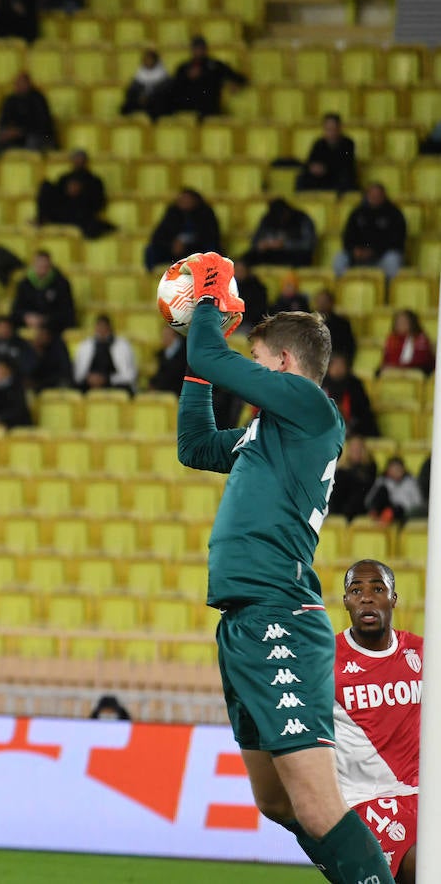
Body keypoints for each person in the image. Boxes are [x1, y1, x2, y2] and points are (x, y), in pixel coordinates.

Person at [176, 255, 396, 884]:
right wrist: (198, 361)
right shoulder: (264, 431)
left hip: (278, 612)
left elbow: (219, 361)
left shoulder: (309, 407)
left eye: (259, 360)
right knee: (276, 802)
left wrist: (208, 311)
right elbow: (194, 447)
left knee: (317, 802)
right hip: (247, 620)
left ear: (285, 366)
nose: (250, 373)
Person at [333, 559, 420, 884]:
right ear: (346, 601)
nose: (366, 597)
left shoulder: (422, 654)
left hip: (421, 796)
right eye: (356, 590)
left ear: (393, 598)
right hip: (363, 802)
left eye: (378, 589)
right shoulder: (326, 660)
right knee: (421, 867)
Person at [334, 183, 407, 281]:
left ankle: (388, 292)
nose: (375, 198)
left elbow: (397, 241)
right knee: (339, 259)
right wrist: (354, 250)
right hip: (358, 257)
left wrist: (373, 251)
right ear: (367, 195)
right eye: (372, 195)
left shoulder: (394, 214)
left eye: (378, 195)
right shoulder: (357, 213)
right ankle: (344, 290)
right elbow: (348, 237)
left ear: (384, 196)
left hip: (382, 256)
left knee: (392, 260)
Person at [35, 149, 112, 239]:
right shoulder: (64, 178)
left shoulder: (95, 180)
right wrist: (68, 192)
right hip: (63, 212)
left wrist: (81, 193)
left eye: (81, 159)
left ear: (86, 161)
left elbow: (99, 202)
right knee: (46, 185)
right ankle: (41, 219)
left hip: (82, 214)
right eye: (76, 159)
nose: (78, 161)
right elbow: (57, 196)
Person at [144, 188, 222, 272]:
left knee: (210, 251)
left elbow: (210, 236)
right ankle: (153, 274)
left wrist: (186, 244)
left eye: (188, 199)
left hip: (196, 249)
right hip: (173, 251)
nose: (184, 202)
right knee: (151, 249)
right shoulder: (172, 213)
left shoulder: (206, 213)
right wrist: (172, 244)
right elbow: (159, 236)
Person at [169, 34, 246, 118]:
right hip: (187, 107)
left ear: (205, 49)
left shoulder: (216, 65)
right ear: (192, 50)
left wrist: (231, 83)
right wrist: (187, 77)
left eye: (201, 48)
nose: (198, 51)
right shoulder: (184, 68)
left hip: (209, 108)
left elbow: (239, 78)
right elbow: (175, 86)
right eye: (196, 48)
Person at [0, 72, 57, 154]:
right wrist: (6, 132)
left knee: (33, 142)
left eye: (22, 83)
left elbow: (42, 125)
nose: (19, 86)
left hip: (37, 136)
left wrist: (20, 131)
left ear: (29, 83)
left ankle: (30, 166)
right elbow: (2, 121)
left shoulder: (38, 99)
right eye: (17, 83)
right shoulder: (10, 100)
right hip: (15, 138)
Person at [9, 251, 75, 332]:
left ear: (50, 266)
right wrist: (26, 317)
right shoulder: (24, 284)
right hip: (28, 324)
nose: (42, 269)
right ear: (33, 265)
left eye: (45, 266)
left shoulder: (61, 284)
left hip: (53, 328)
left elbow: (67, 312)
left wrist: (44, 320)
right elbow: (16, 310)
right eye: (39, 265)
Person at [243, 198, 317, 268]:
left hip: (293, 255)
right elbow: (255, 240)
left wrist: (284, 244)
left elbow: (308, 245)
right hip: (271, 255)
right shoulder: (268, 219)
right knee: (249, 257)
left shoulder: (302, 219)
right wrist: (261, 244)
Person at [73, 314, 138, 394]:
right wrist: (90, 378)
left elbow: (130, 375)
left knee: (126, 390)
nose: (101, 330)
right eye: (99, 326)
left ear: (110, 328)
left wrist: (106, 379)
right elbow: (78, 374)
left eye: (104, 327)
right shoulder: (85, 346)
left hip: (114, 382)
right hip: (89, 382)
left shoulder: (123, 345)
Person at [297, 113, 359, 194]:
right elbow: (310, 162)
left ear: (339, 128)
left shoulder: (348, 143)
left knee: (345, 179)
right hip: (322, 178)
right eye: (328, 129)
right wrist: (314, 168)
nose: (331, 132)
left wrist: (326, 168)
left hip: (338, 178)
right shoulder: (319, 143)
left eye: (334, 129)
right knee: (302, 178)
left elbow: (346, 164)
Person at [366, 457, 426, 525]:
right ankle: (376, 513)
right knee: (382, 490)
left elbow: (418, 502)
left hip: (402, 510)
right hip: (384, 506)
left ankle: (388, 515)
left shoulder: (411, 482)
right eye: (394, 468)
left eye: (398, 468)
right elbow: (369, 499)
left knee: (398, 508)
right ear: (388, 470)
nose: (396, 471)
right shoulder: (381, 480)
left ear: (404, 469)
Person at [329, 436, 377, 521]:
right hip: (341, 506)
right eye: (353, 449)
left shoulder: (370, 467)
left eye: (358, 449)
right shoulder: (341, 471)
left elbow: (368, 487)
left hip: (361, 505)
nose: (356, 452)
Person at [120, 48, 171, 120]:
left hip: (155, 103)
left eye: (150, 59)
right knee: (125, 107)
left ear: (155, 61)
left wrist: (148, 98)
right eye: (145, 59)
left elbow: (163, 92)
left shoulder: (164, 76)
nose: (147, 61)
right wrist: (140, 98)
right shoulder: (139, 74)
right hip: (140, 102)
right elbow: (131, 91)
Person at [379, 310, 435, 376]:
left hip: (417, 371)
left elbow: (423, 362)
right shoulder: (391, 339)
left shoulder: (421, 339)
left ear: (412, 323)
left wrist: (398, 368)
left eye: (404, 322)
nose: (400, 324)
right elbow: (386, 360)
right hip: (394, 371)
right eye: (398, 322)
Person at [314, 291, 356, 367]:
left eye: (325, 301)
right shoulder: (308, 322)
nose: (322, 304)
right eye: (319, 301)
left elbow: (348, 347)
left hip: (334, 362)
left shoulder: (342, 324)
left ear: (332, 303)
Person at [149, 327, 189, 394]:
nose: (164, 338)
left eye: (167, 335)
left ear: (174, 336)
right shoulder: (161, 354)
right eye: (163, 335)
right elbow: (160, 374)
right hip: (164, 391)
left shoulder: (185, 352)